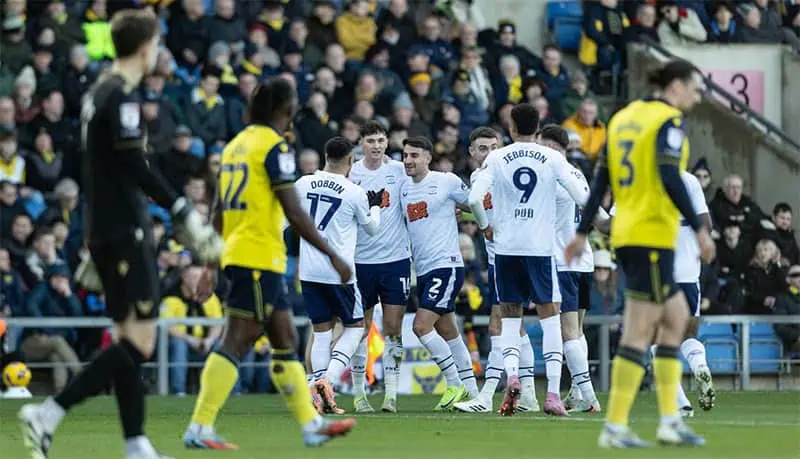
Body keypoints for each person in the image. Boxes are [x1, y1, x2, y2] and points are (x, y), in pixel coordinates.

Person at [18, 10, 222, 459]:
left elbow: (104, 166)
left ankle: (135, 443)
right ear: (147, 48)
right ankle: (49, 411)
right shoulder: (123, 95)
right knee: (140, 343)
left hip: (105, 228)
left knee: (127, 336)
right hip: (125, 231)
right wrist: (184, 210)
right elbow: (136, 165)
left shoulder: (98, 91)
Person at [182, 77, 355, 450]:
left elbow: (219, 208)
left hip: (243, 255)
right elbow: (293, 209)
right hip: (257, 257)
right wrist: (332, 254)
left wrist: (211, 264)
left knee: (285, 339)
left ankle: (311, 425)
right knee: (237, 340)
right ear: (286, 110)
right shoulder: (274, 148)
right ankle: (200, 425)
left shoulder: (234, 146)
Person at [565, 59, 715, 448]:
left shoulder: (623, 118)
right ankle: (615, 426)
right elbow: (669, 176)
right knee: (638, 331)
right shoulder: (668, 121)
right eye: (696, 89)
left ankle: (670, 418)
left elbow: (602, 178)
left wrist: (583, 233)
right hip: (650, 235)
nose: (697, 98)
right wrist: (700, 228)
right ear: (677, 86)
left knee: (676, 318)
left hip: (632, 233)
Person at [468, 104, 588, 417]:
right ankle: (551, 394)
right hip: (540, 250)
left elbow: (472, 199)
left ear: (510, 128)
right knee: (551, 320)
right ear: (538, 128)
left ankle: (512, 377)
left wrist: (485, 227)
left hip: (506, 249)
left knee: (509, 319)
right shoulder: (552, 157)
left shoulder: (496, 157)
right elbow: (582, 198)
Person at [454, 126, 540, 414]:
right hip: (501, 259)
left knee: (498, 326)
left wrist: (483, 225)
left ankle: (487, 394)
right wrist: (466, 212)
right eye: (482, 148)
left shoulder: (500, 173)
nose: (489, 153)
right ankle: (528, 394)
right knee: (518, 329)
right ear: (471, 152)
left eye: (493, 147)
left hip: (510, 257)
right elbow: (486, 206)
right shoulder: (484, 177)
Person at [295, 137, 382, 414]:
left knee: (321, 332)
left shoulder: (302, 183)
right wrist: (376, 205)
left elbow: (286, 222)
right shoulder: (353, 191)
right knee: (356, 329)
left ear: (324, 155)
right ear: (351, 161)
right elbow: (371, 230)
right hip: (340, 271)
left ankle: (319, 395)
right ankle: (328, 380)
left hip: (309, 270)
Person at [399, 136, 478, 410]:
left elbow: (474, 203)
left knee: (420, 326)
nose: (408, 160)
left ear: (428, 158)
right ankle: (471, 390)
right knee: (448, 331)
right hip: (423, 269)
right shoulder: (404, 189)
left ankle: (454, 383)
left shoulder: (447, 181)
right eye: (406, 155)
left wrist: (481, 221)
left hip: (446, 264)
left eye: (415, 156)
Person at [537, 125, 604, 414]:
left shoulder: (553, 175)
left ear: (553, 147)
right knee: (577, 332)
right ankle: (577, 392)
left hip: (561, 262)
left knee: (567, 333)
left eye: (542, 146)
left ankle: (589, 395)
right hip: (583, 261)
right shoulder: (577, 173)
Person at [347, 121, 411, 413]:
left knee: (393, 328)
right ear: (361, 143)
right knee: (360, 328)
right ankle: (359, 394)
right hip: (360, 260)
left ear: (388, 143)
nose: (376, 145)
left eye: (380, 140)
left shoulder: (399, 171)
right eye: (370, 140)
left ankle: (391, 395)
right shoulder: (352, 173)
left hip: (395, 260)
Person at [648, 170, 716, 418]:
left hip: (657, 270)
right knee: (689, 333)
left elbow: (611, 225)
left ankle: (680, 402)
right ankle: (699, 365)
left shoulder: (642, 176)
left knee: (658, 338)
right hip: (689, 271)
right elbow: (706, 224)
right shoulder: (689, 179)